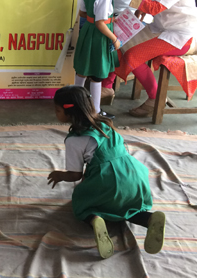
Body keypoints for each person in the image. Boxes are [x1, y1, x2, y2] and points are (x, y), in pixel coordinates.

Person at [48, 85, 166, 259]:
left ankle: (95, 219)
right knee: (129, 206)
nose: (55, 113)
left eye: (57, 110)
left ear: (70, 112)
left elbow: (75, 175)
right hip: (134, 176)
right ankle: (148, 219)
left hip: (109, 183)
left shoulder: (75, 140)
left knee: (81, 203)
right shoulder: (105, 124)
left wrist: (59, 175)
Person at [73, 0, 120, 119]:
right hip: (99, 36)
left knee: (82, 70)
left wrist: (105, 19)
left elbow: (83, 13)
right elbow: (101, 23)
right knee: (97, 74)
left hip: (87, 31)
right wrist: (114, 38)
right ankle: (96, 111)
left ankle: (76, 105)